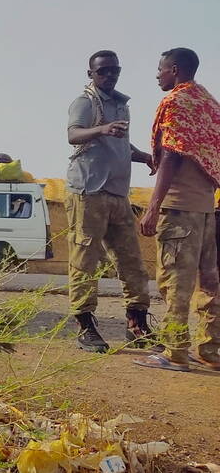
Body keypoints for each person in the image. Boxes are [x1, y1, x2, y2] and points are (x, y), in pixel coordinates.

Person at [64, 50, 157, 353]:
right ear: (90, 73)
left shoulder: (120, 104)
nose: (109, 75)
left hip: (117, 194)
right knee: (85, 261)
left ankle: (137, 323)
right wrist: (102, 128)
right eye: (103, 71)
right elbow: (74, 134)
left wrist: (144, 157)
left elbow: (119, 144)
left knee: (132, 261)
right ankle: (85, 325)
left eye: (114, 70)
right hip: (88, 192)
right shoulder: (85, 102)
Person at [134, 48, 220, 372]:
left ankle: (175, 352)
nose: (158, 75)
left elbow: (171, 154)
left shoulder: (177, 102)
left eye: (160, 70)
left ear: (174, 69)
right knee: (210, 284)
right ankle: (211, 351)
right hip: (206, 210)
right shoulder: (210, 104)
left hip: (180, 210)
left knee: (175, 284)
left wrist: (153, 207)